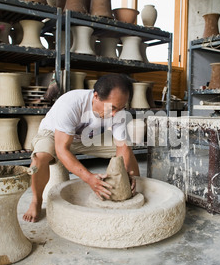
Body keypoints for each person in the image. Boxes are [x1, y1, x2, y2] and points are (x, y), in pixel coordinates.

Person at [23, 73, 140, 222]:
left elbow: (122, 147)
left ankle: (136, 188)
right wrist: (89, 178)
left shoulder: (118, 112)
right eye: (113, 108)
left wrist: (126, 174)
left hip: (87, 137)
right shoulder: (72, 103)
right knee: (40, 159)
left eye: (121, 107)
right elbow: (61, 149)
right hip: (55, 135)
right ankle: (36, 201)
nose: (116, 113)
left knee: (128, 148)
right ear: (96, 96)